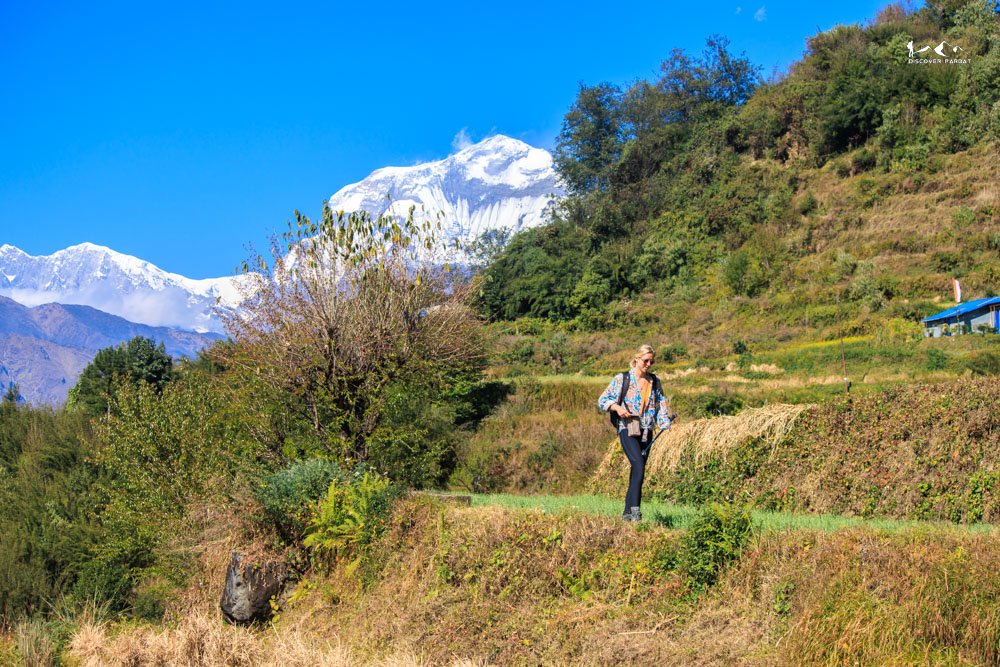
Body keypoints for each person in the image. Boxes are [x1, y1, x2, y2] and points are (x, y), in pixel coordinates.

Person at [597, 344, 673, 522]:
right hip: (627, 428)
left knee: (637, 470)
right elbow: (603, 400)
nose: (648, 364)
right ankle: (635, 511)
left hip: (647, 431)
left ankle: (627, 514)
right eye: (645, 360)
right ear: (637, 359)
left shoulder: (655, 382)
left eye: (651, 361)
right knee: (638, 464)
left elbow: (661, 407)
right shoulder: (622, 379)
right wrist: (617, 408)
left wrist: (666, 424)